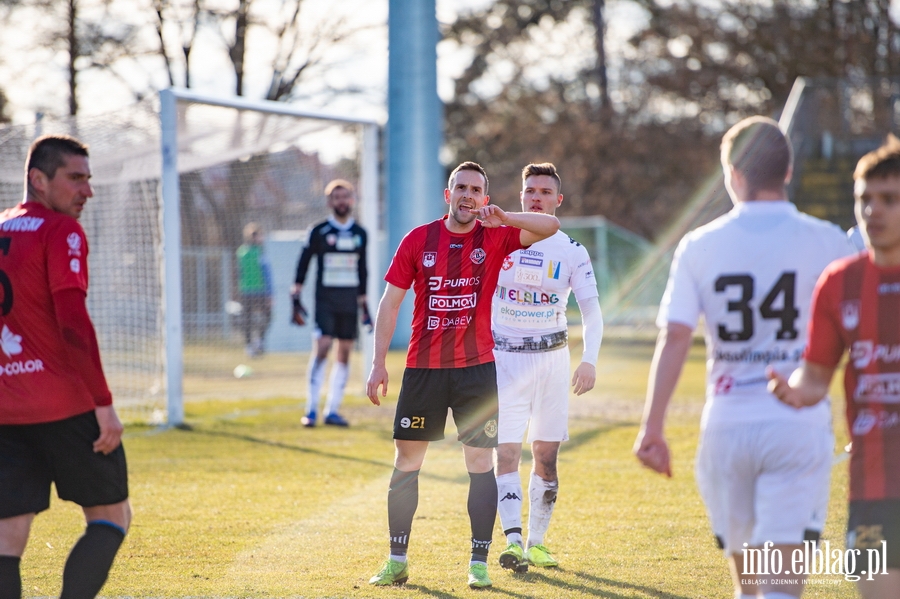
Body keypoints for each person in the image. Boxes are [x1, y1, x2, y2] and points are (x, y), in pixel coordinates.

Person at [633, 116, 855, 599]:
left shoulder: (699, 245)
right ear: (789, 170)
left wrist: (652, 429)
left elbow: (674, 337)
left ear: (732, 174)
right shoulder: (828, 241)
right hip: (797, 425)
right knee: (778, 589)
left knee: (748, 587)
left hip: (727, 427)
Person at [365, 161, 559, 589]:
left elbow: (551, 224)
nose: (468, 195)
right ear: (447, 193)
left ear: (484, 198)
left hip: (475, 371)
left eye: (476, 189)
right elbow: (389, 303)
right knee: (406, 461)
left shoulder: (496, 235)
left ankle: (479, 562)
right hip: (423, 370)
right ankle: (397, 558)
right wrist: (378, 362)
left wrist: (506, 216)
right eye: (461, 187)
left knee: (478, 463)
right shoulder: (418, 240)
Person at [767, 134, 900, 599]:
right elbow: (817, 375)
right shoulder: (840, 283)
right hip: (873, 484)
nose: (873, 212)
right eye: (864, 200)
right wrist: (795, 391)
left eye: (888, 200)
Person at [0, 135, 131, 599]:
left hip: (7, 412)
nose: (87, 191)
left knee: (7, 536)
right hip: (66, 405)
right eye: (76, 179)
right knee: (111, 517)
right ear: (37, 179)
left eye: (89, 180)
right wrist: (104, 403)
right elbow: (73, 323)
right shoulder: (61, 231)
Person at [492, 163, 603, 573]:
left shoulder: (571, 250)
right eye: (529, 190)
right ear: (521, 196)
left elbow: (592, 311)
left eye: (544, 192)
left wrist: (589, 359)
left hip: (553, 361)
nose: (535, 196)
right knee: (505, 452)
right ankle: (513, 541)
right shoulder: (499, 239)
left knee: (546, 455)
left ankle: (537, 543)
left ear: (557, 201)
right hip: (504, 360)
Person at [293, 179, 368, 427]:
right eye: (336, 197)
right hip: (325, 301)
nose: (341, 201)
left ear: (352, 200)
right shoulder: (319, 231)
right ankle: (311, 409)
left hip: (349, 303)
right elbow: (304, 262)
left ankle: (332, 410)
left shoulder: (360, 234)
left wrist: (364, 305)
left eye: (345, 196)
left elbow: (362, 269)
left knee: (344, 353)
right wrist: (296, 293)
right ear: (329, 202)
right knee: (323, 346)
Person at [235, 222, 273, 357]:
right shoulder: (256, 252)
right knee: (249, 319)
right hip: (252, 291)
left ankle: (257, 342)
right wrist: (270, 293)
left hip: (255, 291)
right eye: (256, 235)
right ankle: (251, 344)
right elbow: (267, 274)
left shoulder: (242, 252)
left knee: (264, 317)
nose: (259, 238)